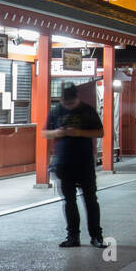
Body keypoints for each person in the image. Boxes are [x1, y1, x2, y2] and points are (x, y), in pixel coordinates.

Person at [43, 84, 106, 248]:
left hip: (84, 162)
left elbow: (100, 132)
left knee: (91, 200)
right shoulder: (56, 111)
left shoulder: (88, 110)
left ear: (77, 98)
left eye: (71, 103)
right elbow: (44, 133)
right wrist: (57, 133)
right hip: (64, 163)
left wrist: (79, 133)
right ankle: (73, 236)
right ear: (61, 100)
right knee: (69, 201)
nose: (68, 106)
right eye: (66, 103)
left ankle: (96, 236)